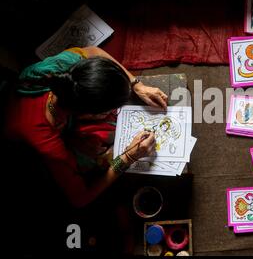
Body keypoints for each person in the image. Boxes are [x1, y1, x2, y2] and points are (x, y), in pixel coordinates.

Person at [4, 46, 168, 208]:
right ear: (90, 115)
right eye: (110, 110)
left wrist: (137, 85)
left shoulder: (64, 70)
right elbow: (80, 198)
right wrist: (128, 157)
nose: (114, 112)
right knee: (99, 149)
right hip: (18, 142)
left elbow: (93, 51)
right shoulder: (46, 141)